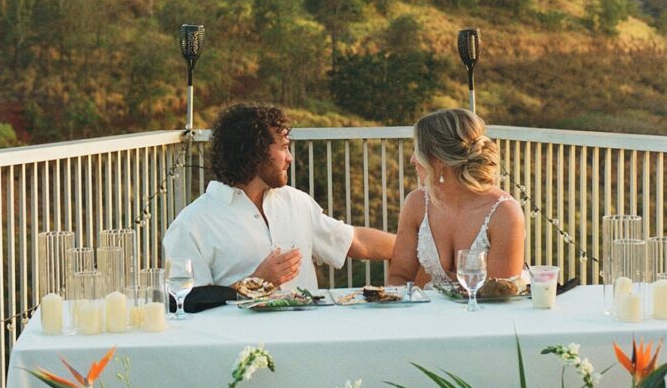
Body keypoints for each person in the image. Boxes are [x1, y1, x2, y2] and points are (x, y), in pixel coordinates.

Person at [163, 102, 395, 292]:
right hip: (241, 346)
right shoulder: (192, 224)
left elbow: (354, 241)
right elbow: (185, 300)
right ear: (254, 151)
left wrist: (420, 244)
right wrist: (255, 283)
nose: (290, 158)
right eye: (283, 147)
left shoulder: (295, 202)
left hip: (306, 339)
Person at [387, 108, 524, 287]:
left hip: (487, 312)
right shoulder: (417, 204)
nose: (413, 159)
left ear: (439, 160)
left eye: (418, 150)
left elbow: (500, 294)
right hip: (430, 313)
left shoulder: (504, 212)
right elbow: (399, 278)